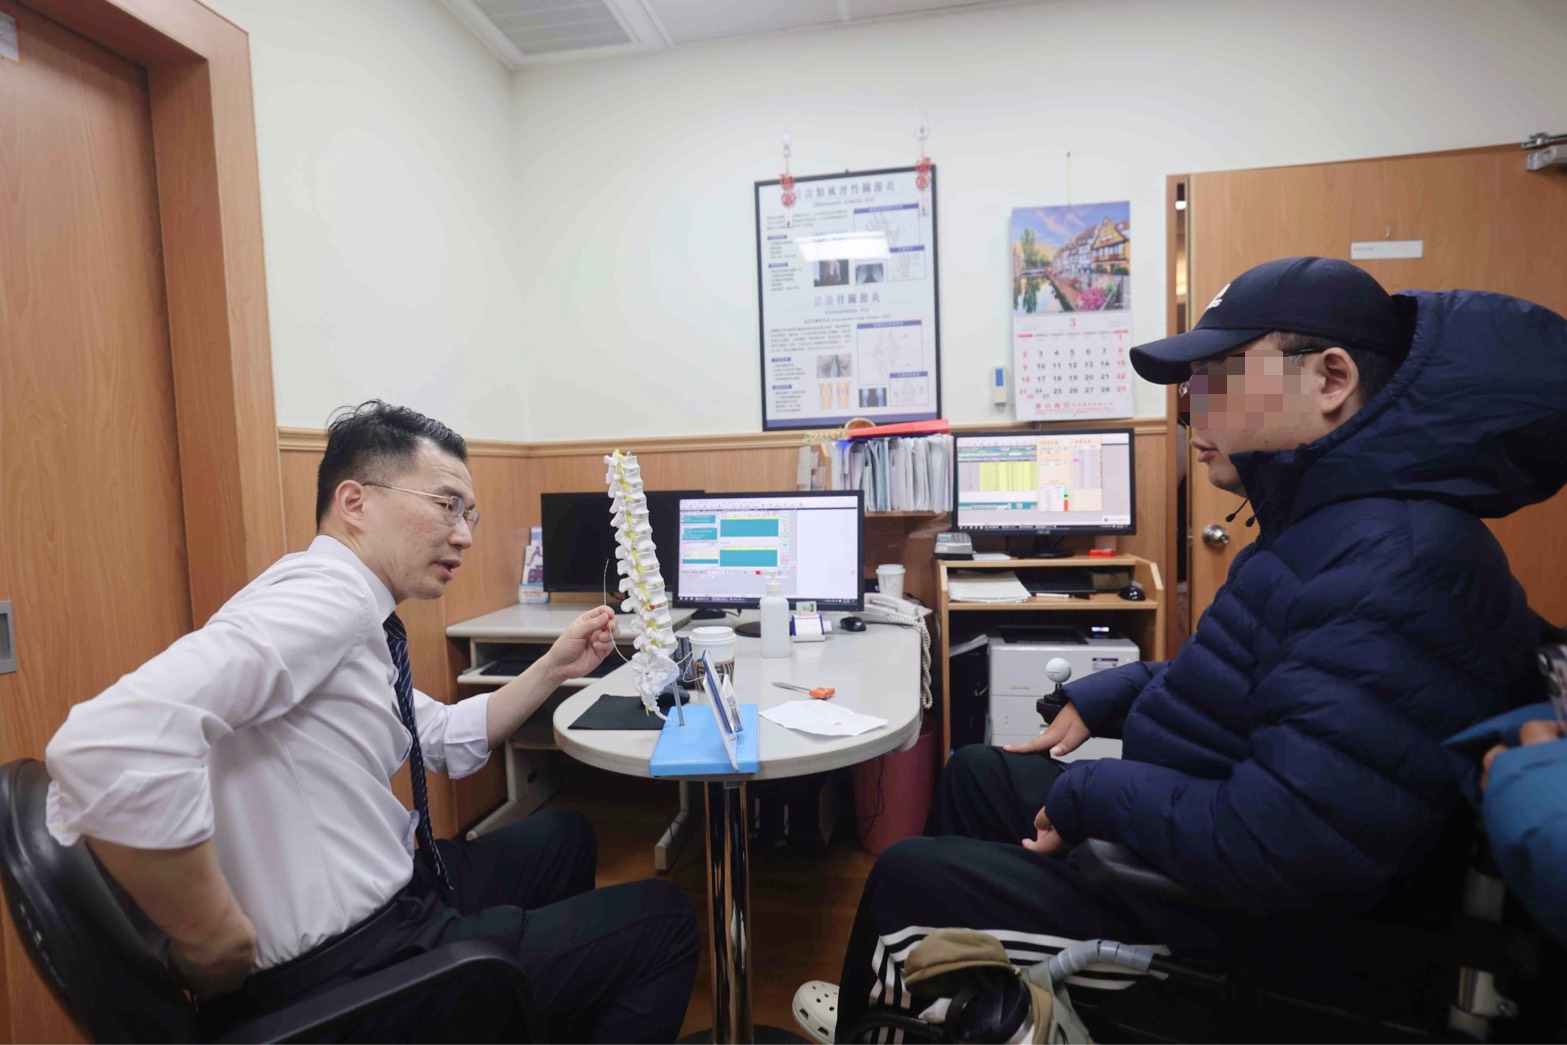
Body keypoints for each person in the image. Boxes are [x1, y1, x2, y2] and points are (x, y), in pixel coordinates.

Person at [805, 257, 1567, 1042]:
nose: (1186, 410)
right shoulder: (1334, 522)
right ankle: (962, 1004)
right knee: (976, 772)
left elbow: (1282, 842)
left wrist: (1092, 792)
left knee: (906, 878)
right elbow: (1265, 682)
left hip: (1233, 926)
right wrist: (1111, 692)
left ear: (1330, 378)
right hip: (1198, 841)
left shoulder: (1394, 560)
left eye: (1215, 377)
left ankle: (901, 998)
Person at [45, 401, 699, 1042]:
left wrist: (553, 667)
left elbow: (436, 736)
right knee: (665, 922)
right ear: (355, 502)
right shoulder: (326, 599)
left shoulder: (347, 601)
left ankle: (526, 1009)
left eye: (468, 513)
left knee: (565, 835)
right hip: (341, 967)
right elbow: (107, 743)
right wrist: (214, 937)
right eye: (446, 505)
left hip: (389, 893)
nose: (466, 535)